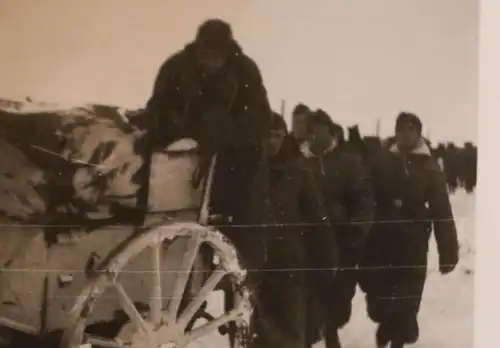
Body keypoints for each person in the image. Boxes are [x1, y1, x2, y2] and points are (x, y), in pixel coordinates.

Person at [144, 19, 273, 268]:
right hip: (182, 169)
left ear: (227, 51)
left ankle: (242, 284)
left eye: (216, 54)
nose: (210, 61)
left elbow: (260, 120)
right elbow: (157, 112)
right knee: (176, 237)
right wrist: (187, 130)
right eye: (205, 53)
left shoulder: (245, 71)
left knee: (244, 242)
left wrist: (222, 131)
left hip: (237, 172)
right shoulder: (176, 68)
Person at [359, 112, 459, 348]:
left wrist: (448, 252)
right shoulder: (380, 161)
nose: (405, 135)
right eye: (401, 130)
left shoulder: (430, 169)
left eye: (410, 130)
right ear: (395, 132)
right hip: (380, 243)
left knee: (407, 301)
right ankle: (385, 326)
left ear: (418, 133)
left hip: (413, 246)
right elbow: (364, 197)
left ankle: (397, 341)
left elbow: (442, 211)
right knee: (378, 302)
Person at [252, 112, 337, 348]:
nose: (272, 142)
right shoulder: (247, 173)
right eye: (266, 136)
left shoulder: (299, 172)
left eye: (277, 136)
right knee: (253, 332)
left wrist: (327, 261)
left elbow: (319, 222)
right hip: (255, 266)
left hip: (289, 265)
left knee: (288, 332)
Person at [300, 109, 375, 348]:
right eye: (311, 133)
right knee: (310, 296)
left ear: (331, 134)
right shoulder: (299, 162)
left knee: (341, 299)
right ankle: (322, 335)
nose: (315, 138)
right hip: (308, 242)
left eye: (320, 133)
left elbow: (364, 198)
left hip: (342, 240)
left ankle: (331, 326)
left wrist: (357, 229)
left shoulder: (348, 161)